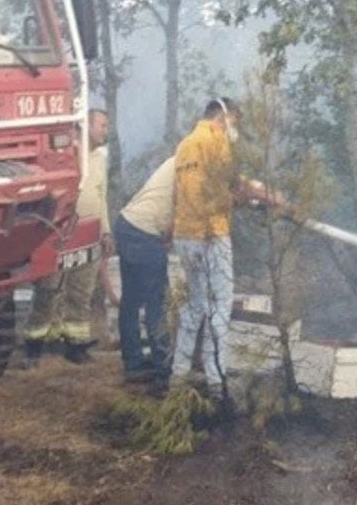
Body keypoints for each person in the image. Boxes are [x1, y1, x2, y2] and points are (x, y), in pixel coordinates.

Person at [170, 98, 276, 397]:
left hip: (186, 235)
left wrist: (253, 191)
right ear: (224, 117)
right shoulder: (216, 141)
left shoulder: (187, 144)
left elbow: (207, 185)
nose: (235, 129)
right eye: (236, 121)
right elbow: (216, 193)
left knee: (195, 305)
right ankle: (217, 382)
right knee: (220, 306)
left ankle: (178, 376)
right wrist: (247, 199)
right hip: (210, 235)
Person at [24, 109, 113, 366]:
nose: (106, 131)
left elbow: (101, 196)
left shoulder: (99, 159)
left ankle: (75, 346)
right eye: (102, 125)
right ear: (85, 128)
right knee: (48, 290)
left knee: (81, 292)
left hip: (90, 233)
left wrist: (105, 231)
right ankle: (34, 347)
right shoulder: (65, 157)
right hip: (60, 234)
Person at [115, 156, 176, 395]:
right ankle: (163, 372)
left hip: (127, 223)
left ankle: (133, 364)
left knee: (130, 298)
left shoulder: (176, 159)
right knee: (157, 300)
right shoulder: (193, 161)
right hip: (144, 231)